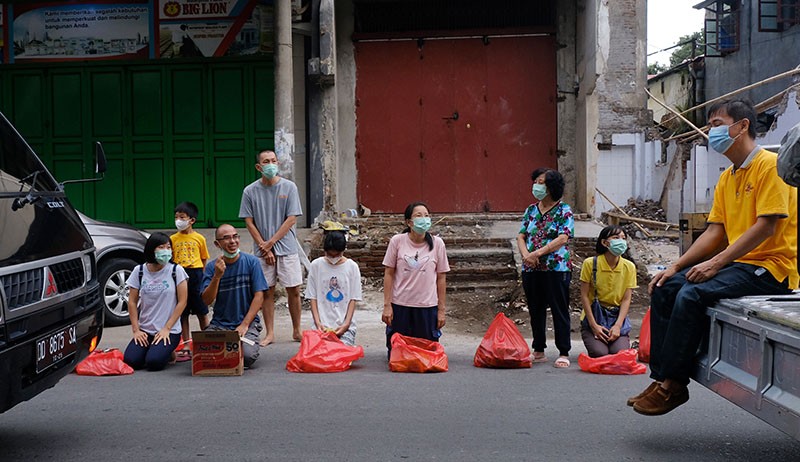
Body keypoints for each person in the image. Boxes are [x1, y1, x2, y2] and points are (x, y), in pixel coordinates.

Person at [630, 99, 798, 416]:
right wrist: (676, 266)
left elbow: (766, 228)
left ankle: (674, 385)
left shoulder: (769, 167)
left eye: (717, 124)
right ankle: (661, 379)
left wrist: (715, 263)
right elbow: (714, 233)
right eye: (709, 126)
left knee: (692, 294)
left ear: (743, 125)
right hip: (740, 264)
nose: (711, 132)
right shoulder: (728, 177)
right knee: (667, 287)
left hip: (771, 269)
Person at [239, 149, 304, 346]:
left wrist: (271, 243)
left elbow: (291, 219)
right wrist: (264, 247)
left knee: (294, 289)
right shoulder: (250, 191)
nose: (271, 164)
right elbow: (249, 222)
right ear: (259, 167)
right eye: (266, 161)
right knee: (267, 291)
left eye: (274, 160)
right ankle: (270, 333)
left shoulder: (289, 187)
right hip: (262, 249)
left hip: (286, 248)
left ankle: (296, 330)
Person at [516, 168, 574, 368]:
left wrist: (537, 254)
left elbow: (563, 238)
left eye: (542, 183)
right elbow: (521, 235)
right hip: (531, 268)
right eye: (536, 182)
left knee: (559, 309)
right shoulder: (531, 210)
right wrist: (526, 256)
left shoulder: (563, 210)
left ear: (551, 187)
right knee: (535, 309)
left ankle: (564, 351)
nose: (537, 186)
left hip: (556, 267)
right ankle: (538, 349)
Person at [382, 202, 450, 357]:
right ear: (408, 222)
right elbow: (389, 273)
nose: (424, 219)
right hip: (401, 305)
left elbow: (441, 278)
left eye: (426, 215)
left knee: (426, 354)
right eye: (419, 215)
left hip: (427, 307)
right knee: (398, 354)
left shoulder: (438, 244)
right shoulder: (397, 241)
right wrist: (387, 305)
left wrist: (441, 310)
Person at [201, 224, 269, 369]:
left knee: (247, 355)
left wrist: (244, 325)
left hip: (247, 324)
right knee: (202, 354)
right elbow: (206, 300)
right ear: (217, 244)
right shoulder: (212, 267)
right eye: (226, 238)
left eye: (235, 236)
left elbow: (259, 296)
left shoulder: (252, 262)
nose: (232, 241)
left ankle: (234, 349)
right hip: (219, 325)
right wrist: (217, 277)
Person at [123, 232, 188, 371]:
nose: (166, 251)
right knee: (131, 360)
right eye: (161, 247)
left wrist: (167, 328)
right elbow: (132, 302)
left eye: (168, 247)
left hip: (169, 330)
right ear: (151, 249)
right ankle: (153, 348)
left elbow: (182, 302)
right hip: (145, 329)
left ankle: (168, 352)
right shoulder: (139, 271)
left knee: (154, 363)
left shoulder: (176, 270)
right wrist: (136, 330)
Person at [579, 225, 636, 358]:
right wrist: (594, 325)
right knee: (600, 353)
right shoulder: (590, 264)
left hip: (616, 316)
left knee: (619, 354)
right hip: (595, 315)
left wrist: (618, 326)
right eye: (616, 238)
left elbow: (626, 299)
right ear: (604, 242)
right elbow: (584, 295)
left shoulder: (629, 267)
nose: (621, 241)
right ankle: (590, 333)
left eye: (623, 238)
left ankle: (620, 336)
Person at [305, 230, 363, 346]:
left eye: (336, 255)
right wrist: (318, 323)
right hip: (320, 326)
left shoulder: (352, 267)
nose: (333, 258)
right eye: (330, 255)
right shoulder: (316, 265)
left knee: (340, 355)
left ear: (343, 251)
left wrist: (346, 325)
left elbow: (353, 298)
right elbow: (313, 297)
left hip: (344, 326)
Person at [170, 201, 210, 362]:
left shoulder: (199, 238)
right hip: (180, 275)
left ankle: (206, 341)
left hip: (196, 275)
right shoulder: (172, 238)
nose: (178, 220)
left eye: (182, 217)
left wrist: (202, 276)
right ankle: (186, 344)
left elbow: (204, 258)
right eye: (176, 217)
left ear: (191, 220)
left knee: (202, 310)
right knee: (183, 312)